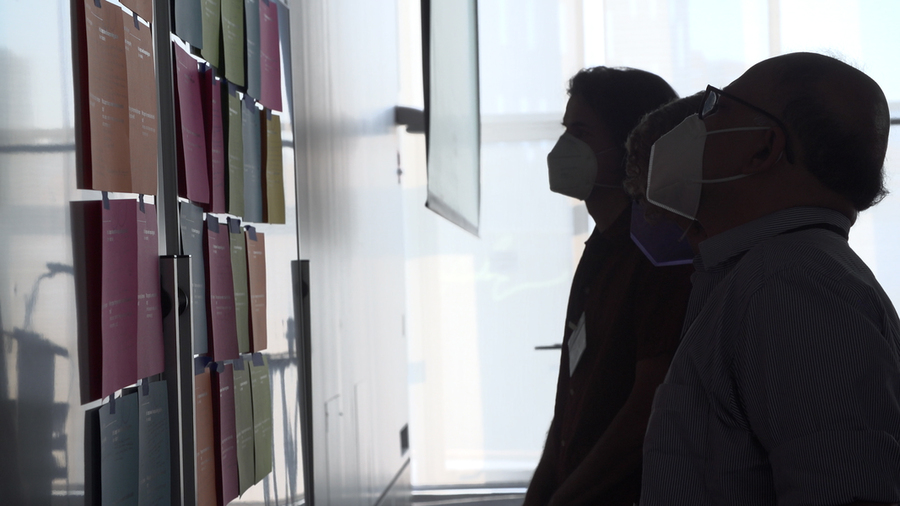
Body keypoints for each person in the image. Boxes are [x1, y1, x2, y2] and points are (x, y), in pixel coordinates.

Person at [640, 52, 900, 505]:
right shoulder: (769, 273)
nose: (697, 123)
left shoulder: (791, 283)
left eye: (718, 107)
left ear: (762, 147)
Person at [524, 66, 693, 506]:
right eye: (565, 130)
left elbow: (649, 408)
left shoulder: (662, 255)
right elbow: (573, 397)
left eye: (580, 131)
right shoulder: (599, 249)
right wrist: (543, 489)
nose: (563, 147)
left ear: (631, 144)